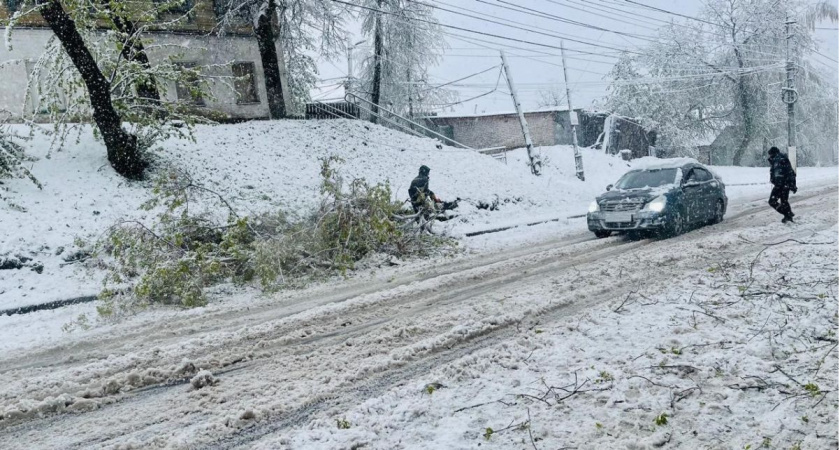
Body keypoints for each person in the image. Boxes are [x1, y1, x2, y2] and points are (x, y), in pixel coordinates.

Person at [767, 146, 797, 223]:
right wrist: (792, 184)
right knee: (784, 201)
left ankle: (788, 215)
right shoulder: (777, 160)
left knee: (773, 201)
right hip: (783, 184)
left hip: (782, 184)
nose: (769, 156)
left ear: (773, 153)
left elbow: (789, 172)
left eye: (770, 155)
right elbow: (790, 172)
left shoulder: (779, 160)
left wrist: (792, 184)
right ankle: (788, 215)